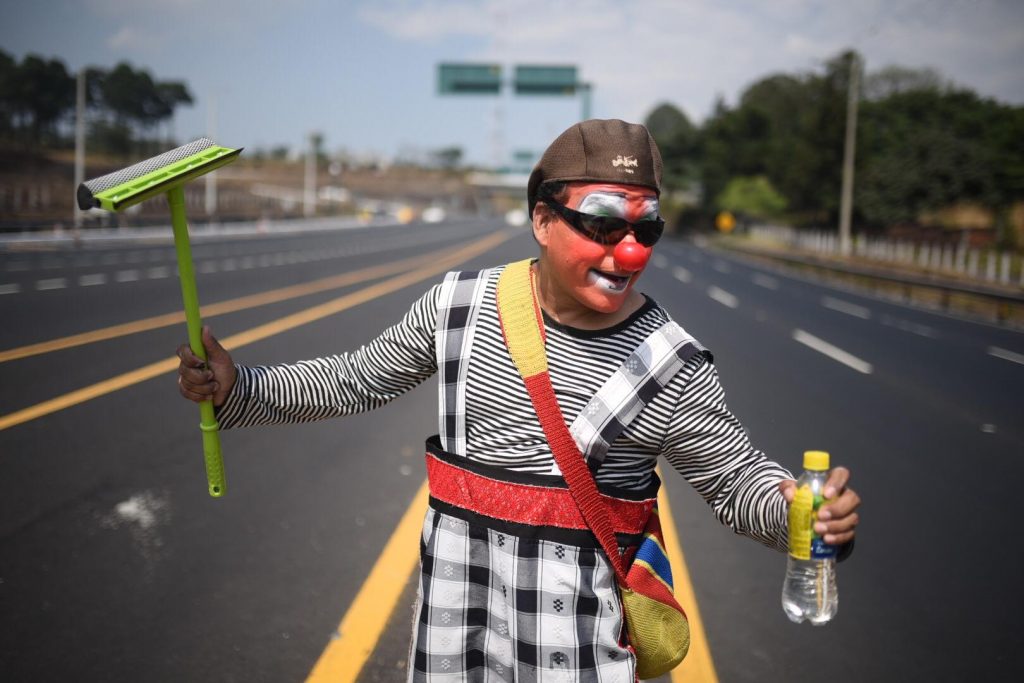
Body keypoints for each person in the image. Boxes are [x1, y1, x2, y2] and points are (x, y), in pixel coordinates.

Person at [177, 119, 860, 681]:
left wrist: (804, 515)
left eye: (645, 229)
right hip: (454, 640)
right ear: (541, 217)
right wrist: (241, 388)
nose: (627, 252)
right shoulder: (460, 308)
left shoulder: (671, 364)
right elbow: (358, 378)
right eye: (601, 225)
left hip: (579, 655)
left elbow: (738, 481)